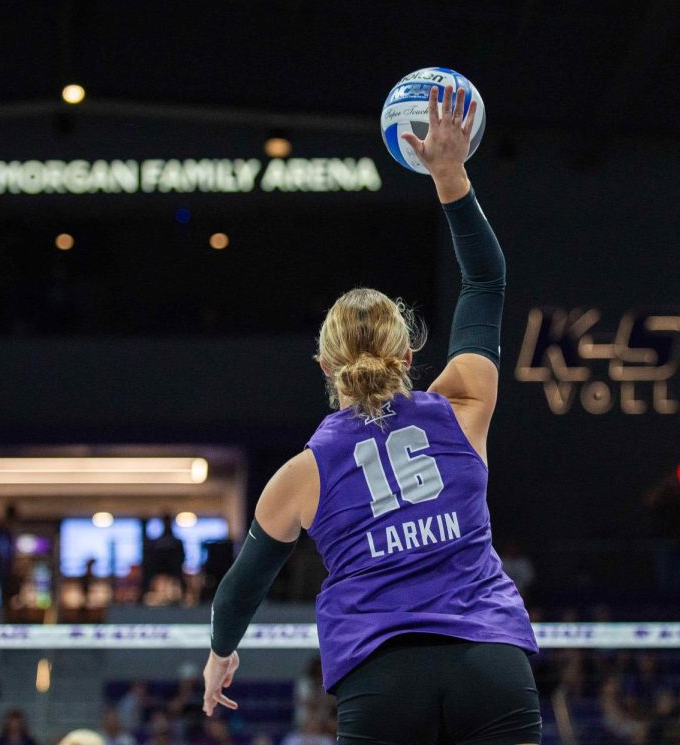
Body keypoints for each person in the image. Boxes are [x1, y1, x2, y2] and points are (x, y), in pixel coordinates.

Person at [202, 84, 540, 745]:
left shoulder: (301, 474)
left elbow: (240, 589)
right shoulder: (461, 403)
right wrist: (451, 175)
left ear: (325, 367)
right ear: (408, 351)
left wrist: (222, 653)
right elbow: (486, 283)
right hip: (490, 660)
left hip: (382, 678)